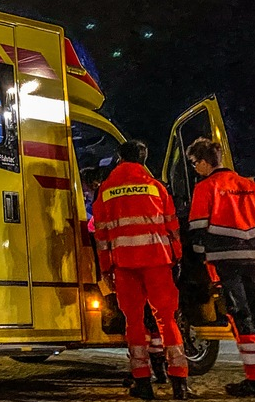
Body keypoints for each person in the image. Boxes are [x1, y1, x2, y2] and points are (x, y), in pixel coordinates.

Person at [187, 138, 255, 398]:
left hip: (227, 260)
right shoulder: (250, 185)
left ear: (205, 163)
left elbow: (196, 227)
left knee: (241, 318)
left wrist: (200, 255)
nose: (195, 169)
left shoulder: (206, 187)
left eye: (195, 164)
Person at [93, 140, 190, 400]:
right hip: (158, 261)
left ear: (119, 158)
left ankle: (143, 382)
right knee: (167, 320)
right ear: (144, 159)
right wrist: (176, 257)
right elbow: (172, 227)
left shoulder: (105, 190)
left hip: (124, 265)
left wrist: (105, 270)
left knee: (134, 322)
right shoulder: (156, 187)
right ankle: (179, 382)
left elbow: (101, 236)